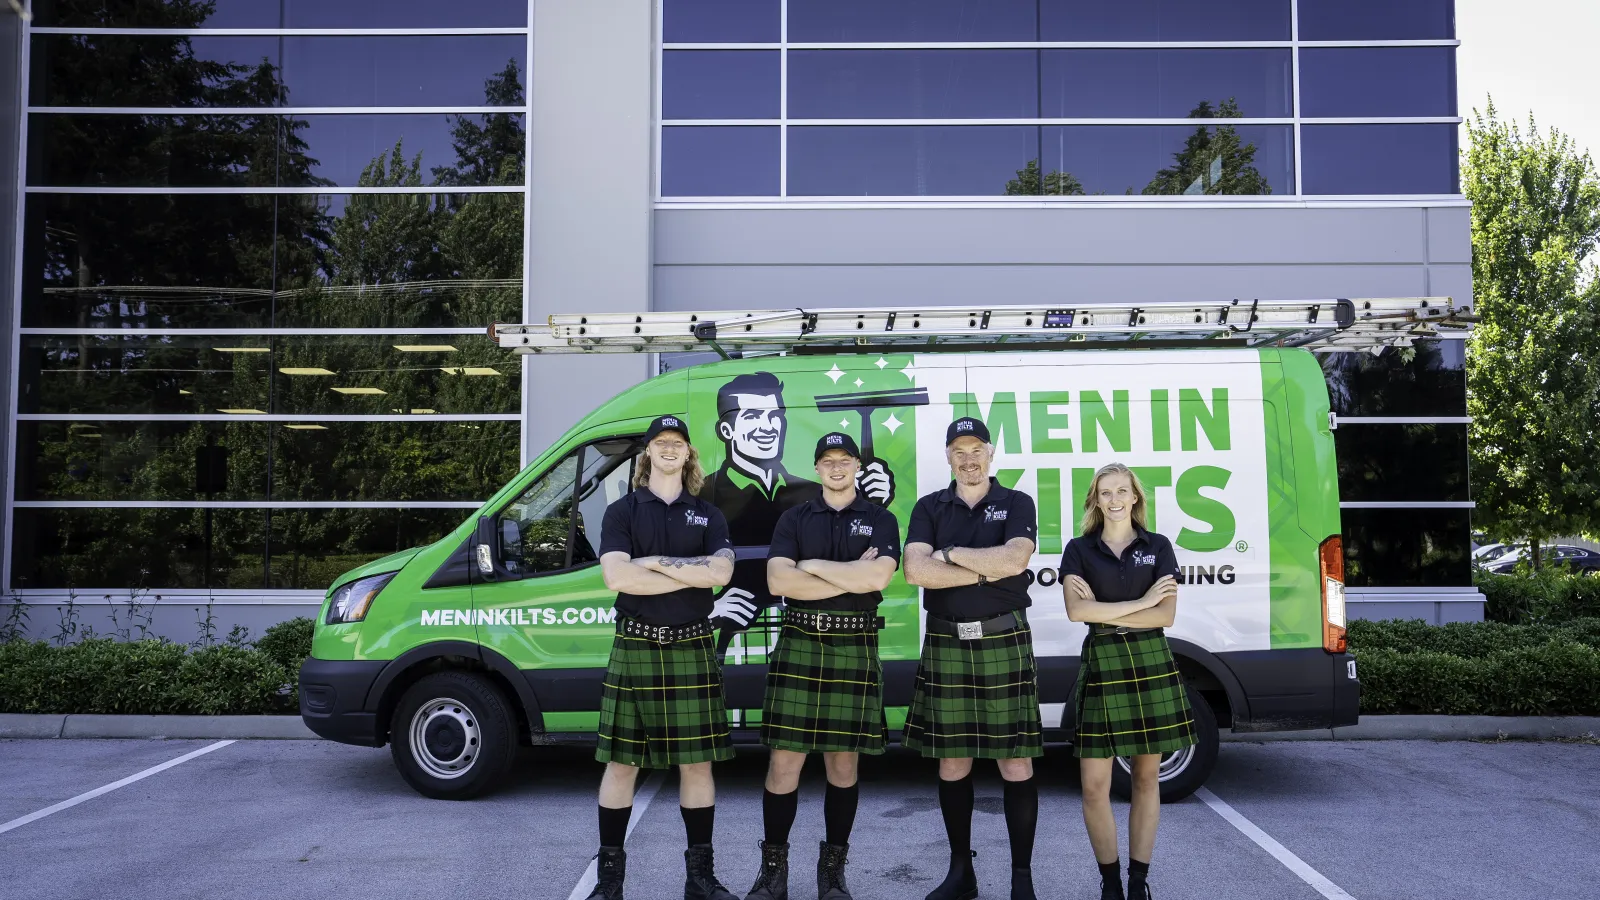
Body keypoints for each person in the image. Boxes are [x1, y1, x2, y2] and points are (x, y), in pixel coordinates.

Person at [587, 415, 740, 900]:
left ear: (689, 453)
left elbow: (721, 573)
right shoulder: (623, 511)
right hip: (635, 645)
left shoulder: (708, 514)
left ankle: (700, 879)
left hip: (692, 644)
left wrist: (650, 563)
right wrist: (688, 572)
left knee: (697, 766)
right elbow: (617, 578)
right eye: (661, 442)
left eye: (678, 443)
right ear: (648, 453)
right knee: (621, 765)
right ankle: (610, 884)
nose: (670, 449)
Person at [744, 432, 901, 900]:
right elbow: (778, 580)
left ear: (856, 465)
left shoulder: (881, 518)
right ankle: (773, 870)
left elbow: (877, 577)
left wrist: (809, 566)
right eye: (827, 460)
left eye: (845, 459)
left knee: (843, 763)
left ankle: (832, 872)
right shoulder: (794, 517)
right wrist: (845, 572)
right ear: (816, 468)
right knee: (784, 763)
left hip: (854, 642)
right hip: (801, 641)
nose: (837, 467)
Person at [902, 417, 1042, 900]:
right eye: (959, 451)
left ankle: (1020, 880)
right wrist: (986, 568)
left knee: (1015, 763)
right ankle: (962, 873)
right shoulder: (928, 506)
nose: (968, 459)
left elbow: (1015, 561)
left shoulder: (1017, 502)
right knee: (952, 762)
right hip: (947, 641)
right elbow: (916, 571)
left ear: (990, 452)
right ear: (948, 457)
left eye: (976, 449)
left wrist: (952, 555)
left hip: (1004, 639)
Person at [1059, 463, 1197, 900]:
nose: (1114, 499)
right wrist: (1139, 602)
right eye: (1105, 493)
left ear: (1135, 497)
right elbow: (1077, 613)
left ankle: (1138, 883)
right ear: (1095, 500)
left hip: (1150, 660)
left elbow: (1166, 616)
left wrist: (1106, 608)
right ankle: (1110, 884)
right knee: (1094, 786)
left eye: (1122, 491)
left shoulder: (1158, 547)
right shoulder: (1078, 549)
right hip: (1101, 662)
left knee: (1145, 779)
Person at [699, 372, 822, 657]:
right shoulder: (700, 496)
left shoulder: (815, 494)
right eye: (753, 416)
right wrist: (709, 608)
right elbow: (678, 564)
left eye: (775, 416)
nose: (768, 427)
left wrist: (872, 500)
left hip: (804, 637)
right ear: (726, 431)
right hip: (733, 645)